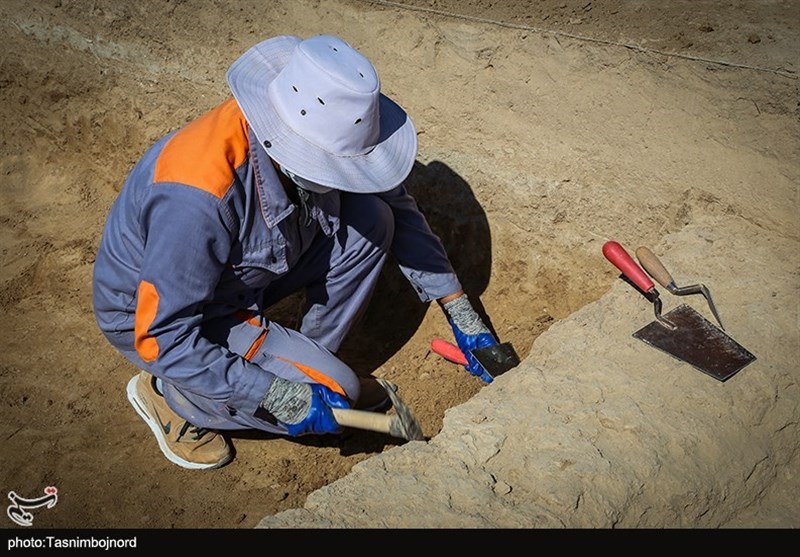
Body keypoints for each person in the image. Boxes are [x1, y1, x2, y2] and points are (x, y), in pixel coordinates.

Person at [92, 34, 500, 470]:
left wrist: (459, 308)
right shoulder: (195, 198)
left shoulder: (307, 127)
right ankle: (173, 399)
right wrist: (274, 394)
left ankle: (308, 364)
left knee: (375, 219)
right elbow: (162, 336)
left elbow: (397, 207)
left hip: (244, 271)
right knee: (338, 393)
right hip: (165, 319)